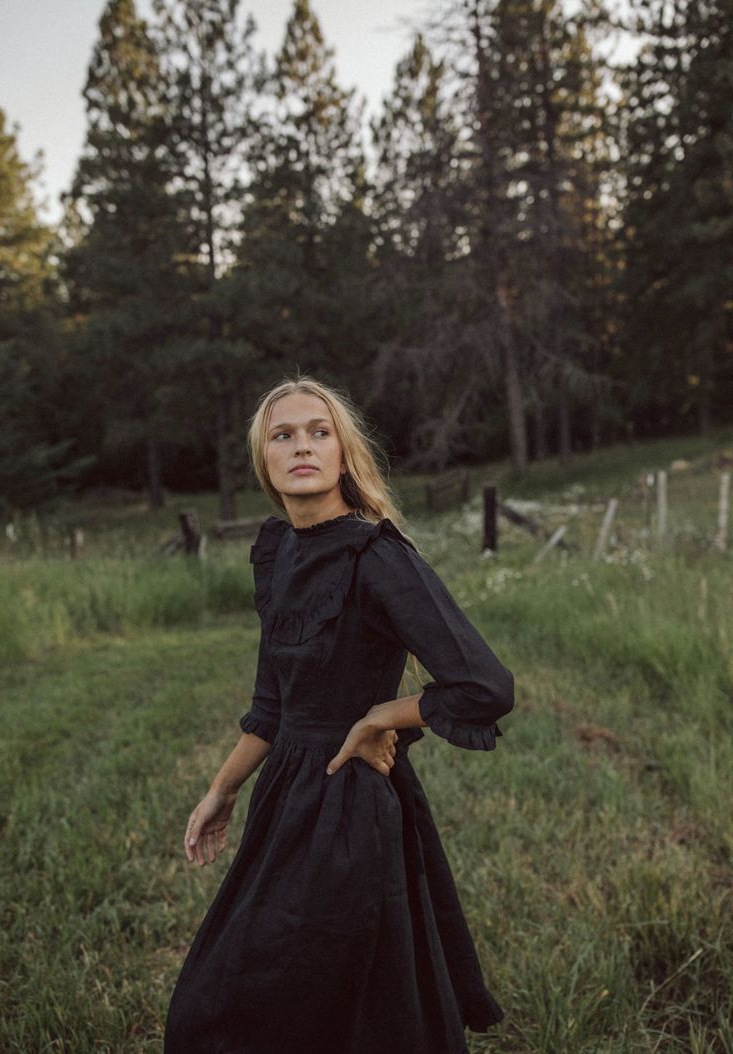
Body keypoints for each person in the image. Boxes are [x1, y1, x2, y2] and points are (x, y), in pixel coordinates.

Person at [163, 375, 515, 1054]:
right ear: (263, 460)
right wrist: (222, 790)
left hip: (351, 802)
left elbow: (484, 686)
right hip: (284, 800)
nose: (302, 446)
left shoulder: (376, 554)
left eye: (319, 432)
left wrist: (381, 715)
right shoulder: (276, 551)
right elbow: (272, 703)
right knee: (226, 998)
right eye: (283, 435)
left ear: (344, 452)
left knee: (339, 1002)